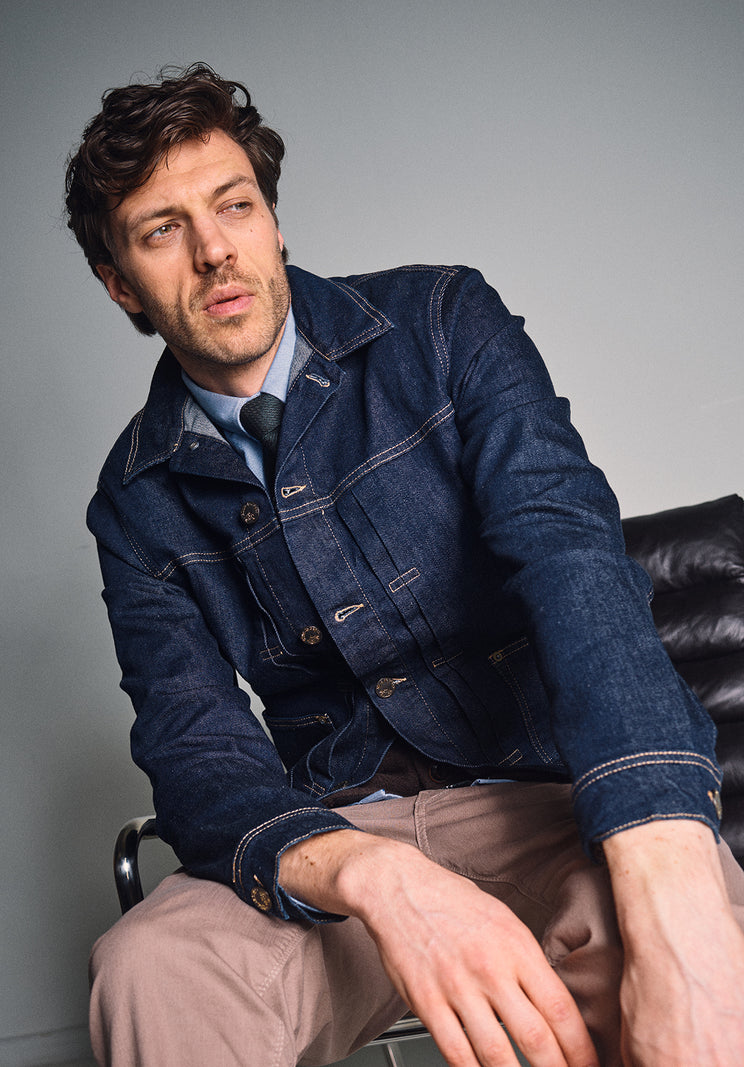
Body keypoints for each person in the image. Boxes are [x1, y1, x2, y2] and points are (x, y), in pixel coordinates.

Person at [66, 63, 744, 1067]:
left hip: (547, 801)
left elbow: (571, 559)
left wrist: (662, 849)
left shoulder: (441, 324)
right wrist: (379, 879)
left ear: (274, 222)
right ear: (121, 281)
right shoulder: (132, 497)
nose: (214, 250)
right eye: (163, 228)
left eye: (234, 204)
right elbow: (191, 740)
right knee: (150, 964)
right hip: (340, 836)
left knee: (677, 946)